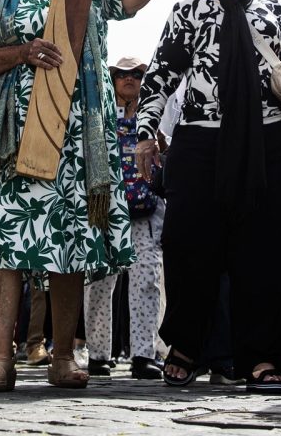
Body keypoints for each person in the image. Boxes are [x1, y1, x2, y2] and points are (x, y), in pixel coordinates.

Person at [0, 0, 154, 392]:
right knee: (2, 242)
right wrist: (22, 52)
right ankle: (0, 357)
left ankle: (63, 356)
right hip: (9, 144)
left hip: (78, 144)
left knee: (68, 243)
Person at [135, 0, 281, 395]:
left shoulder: (274, 12)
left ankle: (261, 357)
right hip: (202, 141)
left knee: (265, 250)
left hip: (272, 141)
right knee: (188, 245)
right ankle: (184, 347)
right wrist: (145, 133)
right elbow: (160, 76)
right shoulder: (187, 12)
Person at [84, 56, 165, 380]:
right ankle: (98, 354)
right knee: (101, 281)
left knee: (147, 281)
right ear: (113, 79)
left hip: (146, 210)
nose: (129, 79)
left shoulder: (154, 120)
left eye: (136, 74)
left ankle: (143, 354)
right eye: (123, 74)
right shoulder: (101, 116)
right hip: (107, 210)